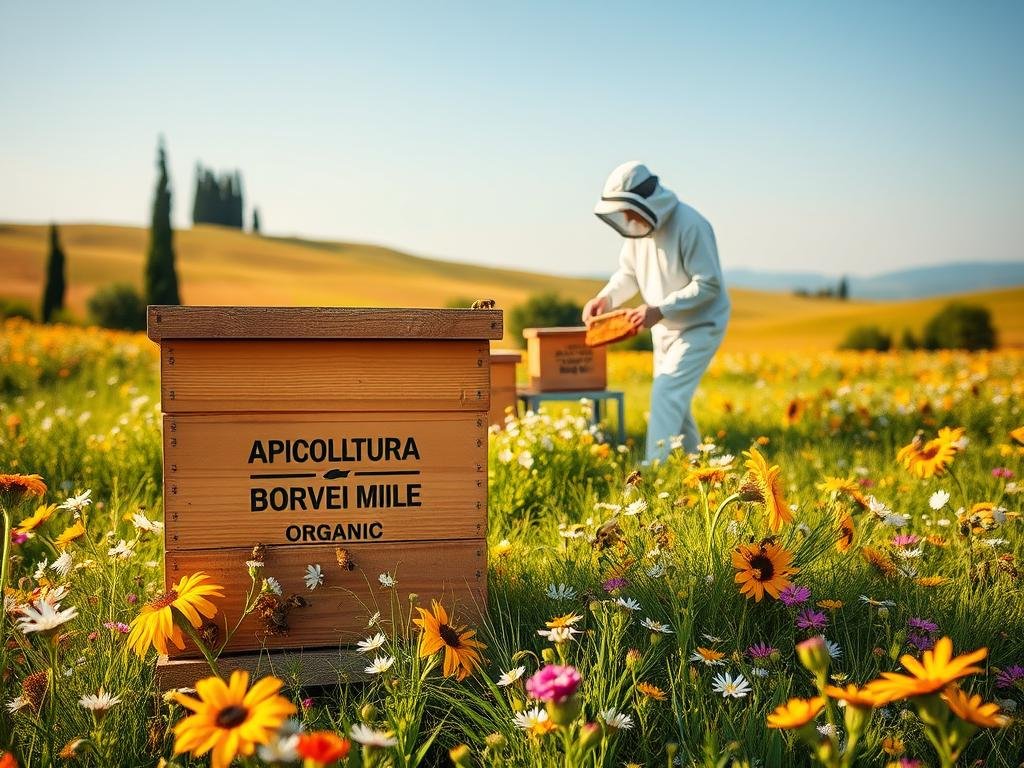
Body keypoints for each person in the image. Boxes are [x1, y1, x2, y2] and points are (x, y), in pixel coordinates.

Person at [583, 160, 730, 461]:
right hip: (663, 327)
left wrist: (661, 309)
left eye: (628, 209)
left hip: (700, 326)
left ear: (646, 200)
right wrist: (606, 299)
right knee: (675, 401)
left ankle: (652, 474)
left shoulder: (692, 225)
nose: (626, 217)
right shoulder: (639, 232)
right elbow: (628, 274)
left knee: (666, 391)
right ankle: (697, 467)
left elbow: (709, 284)